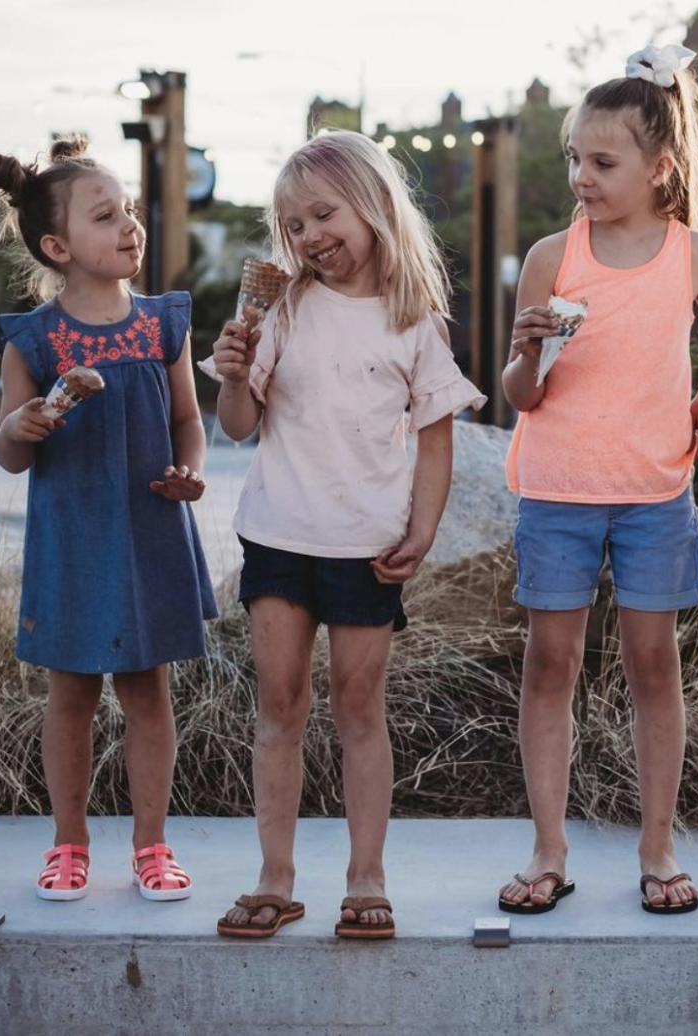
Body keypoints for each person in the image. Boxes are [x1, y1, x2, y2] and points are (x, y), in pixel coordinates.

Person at [208, 131, 485, 940]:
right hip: (279, 536)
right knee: (279, 705)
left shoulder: (413, 321)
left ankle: (367, 878)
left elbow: (437, 437)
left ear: (371, 207)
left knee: (359, 708)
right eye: (292, 225)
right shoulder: (280, 308)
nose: (308, 236)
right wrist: (232, 373)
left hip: (367, 544)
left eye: (323, 214)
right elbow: (238, 426)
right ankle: (274, 877)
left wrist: (423, 530)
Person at [498, 44, 698, 916]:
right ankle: (549, 849)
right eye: (574, 159)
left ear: (658, 166)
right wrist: (529, 354)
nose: (582, 177)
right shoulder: (551, 257)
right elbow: (520, 395)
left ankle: (658, 846)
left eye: (602, 162)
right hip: (558, 488)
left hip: (655, 491)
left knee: (652, 664)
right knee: (550, 665)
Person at [0, 137, 218, 903]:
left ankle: (152, 846)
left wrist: (194, 471)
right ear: (58, 246)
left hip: (150, 531)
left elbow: (189, 421)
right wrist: (21, 427)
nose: (129, 226)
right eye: (105, 215)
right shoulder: (36, 339)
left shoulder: (162, 324)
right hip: (73, 540)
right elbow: (8, 454)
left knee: (148, 691)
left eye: (129, 211)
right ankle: (69, 844)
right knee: (72, 696)